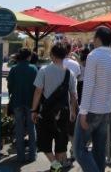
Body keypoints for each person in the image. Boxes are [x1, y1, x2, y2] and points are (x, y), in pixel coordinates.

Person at [73, 26, 111, 172]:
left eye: (94, 37)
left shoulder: (94, 55)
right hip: (106, 110)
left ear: (98, 39)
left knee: (79, 150)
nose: (93, 40)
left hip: (91, 110)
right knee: (99, 151)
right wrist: (109, 109)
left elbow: (89, 85)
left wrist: (83, 111)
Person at [31, 43, 78, 171]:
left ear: (52, 55)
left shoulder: (44, 70)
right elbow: (74, 95)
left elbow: (38, 91)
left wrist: (34, 110)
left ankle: (55, 165)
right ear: (65, 56)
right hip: (64, 112)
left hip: (46, 112)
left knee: (44, 142)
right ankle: (58, 165)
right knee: (61, 142)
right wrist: (73, 111)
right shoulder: (70, 73)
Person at [7, 48, 38, 163]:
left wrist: (12, 94)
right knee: (31, 128)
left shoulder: (14, 69)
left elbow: (9, 85)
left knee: (19, 129)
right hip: (31, 103)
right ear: (29, 57)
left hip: (17, 101)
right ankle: (32, 155)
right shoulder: (33, 68)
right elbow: (37, 87)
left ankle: (20, 156)